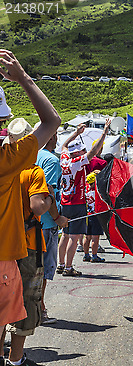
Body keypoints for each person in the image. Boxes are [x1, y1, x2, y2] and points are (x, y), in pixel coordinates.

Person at [0, 49, 61, 366]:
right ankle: (16, 358)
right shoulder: (11, 161)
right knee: (20, 308)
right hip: (13, 252)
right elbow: (52, 120)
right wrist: (22, 77)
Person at [3, 121, 54, 366]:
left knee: (3, 301)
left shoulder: (6, 165)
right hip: (29, 243)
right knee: (26, 300)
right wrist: (49, 199)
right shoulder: (33, 170)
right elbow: (37, 206)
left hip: (5, 244)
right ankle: (16, 357)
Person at [57, 120, 111, 277]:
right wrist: (104, 133)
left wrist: (76, 133)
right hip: (77, 203)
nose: (83, 153)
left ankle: (60, 265)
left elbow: (64, 145)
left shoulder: (64, 158)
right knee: (73, 238)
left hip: (65, 202)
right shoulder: (76, 162)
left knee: (65, 235)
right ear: (77, 153)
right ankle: (68, 267)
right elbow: (93, 152)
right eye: (81, 151)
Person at [35, 129, 69, 325]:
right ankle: (40, 309)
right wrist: (57, 218)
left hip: (30, 221)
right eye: (55, 134)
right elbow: (48, 192)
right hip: (46, 223)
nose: (57, 138)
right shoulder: (52, 161)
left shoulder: (33, 154)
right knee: (43, 272)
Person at [82, 172, 105, 263]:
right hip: (96, 216)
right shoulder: (98, 191)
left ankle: (86, 255)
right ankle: (94, 256)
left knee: (87, 237)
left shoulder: (86, 190)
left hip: (87, 215)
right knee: (95, 237)